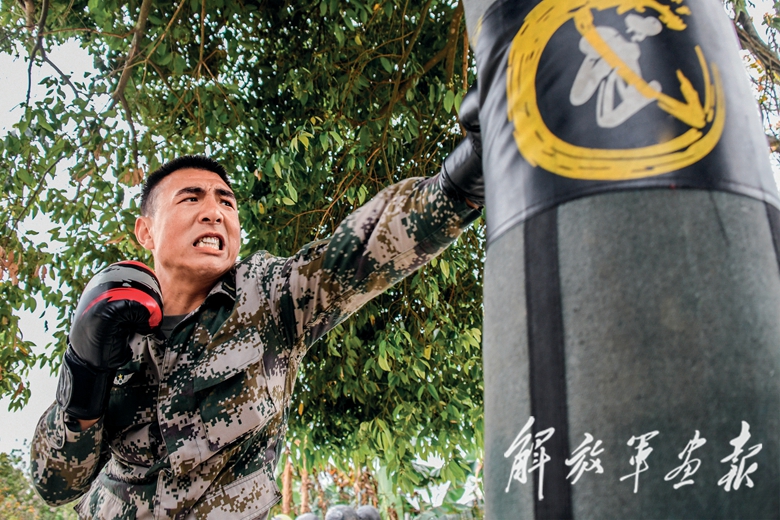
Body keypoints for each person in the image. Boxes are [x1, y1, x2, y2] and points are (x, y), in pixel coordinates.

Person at [29, 91, 483, 518]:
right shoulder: (112, 324)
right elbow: (57, 486)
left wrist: (465, 175)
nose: (215, 212)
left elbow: (360, 251)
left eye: (226, 202)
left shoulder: (265, 295)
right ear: (145, 231)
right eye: (191, 198)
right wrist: (84, 369)